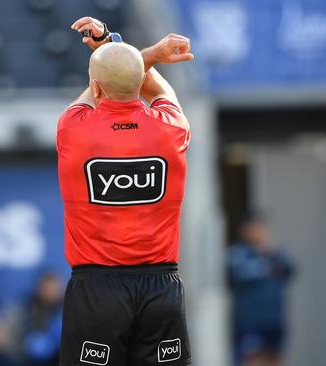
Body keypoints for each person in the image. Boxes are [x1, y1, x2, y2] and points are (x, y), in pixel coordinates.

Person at [57, 16, 194, 366]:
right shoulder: (172, 128)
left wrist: (122, 50)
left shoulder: (73, 130)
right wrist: (118, 47)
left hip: (97, 290)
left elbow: (111, 79)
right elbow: (150, 87)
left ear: (96, 87)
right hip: (160, 287)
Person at [228, 213, 294, 366]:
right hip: (249, 322)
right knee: (252, 359)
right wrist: (268, 267)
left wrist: (271, 253)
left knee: (274, 358)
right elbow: (242, 274)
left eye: (262, 228)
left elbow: (290, 269)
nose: (259, 232)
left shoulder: (274, 252)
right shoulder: (237, 253)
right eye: (255, 228)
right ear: (245, 231)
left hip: (273, 320)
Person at [21, 272, 63, 366]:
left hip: (60, 354)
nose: (52, 291)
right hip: (33, 353)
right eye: (48, 287)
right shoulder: (29, 306)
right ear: (40, 288)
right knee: (37, 345)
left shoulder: (66, 306)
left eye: (55, 287)